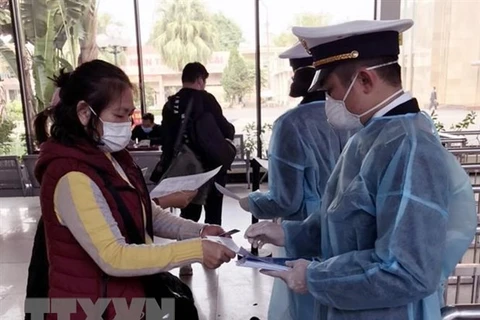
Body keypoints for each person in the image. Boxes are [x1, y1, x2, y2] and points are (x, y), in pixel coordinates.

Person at [245, 19, 476, 319]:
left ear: (366, 80)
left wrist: (314, 277)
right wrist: (289, 234)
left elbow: (406, 271)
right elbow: (347, 224)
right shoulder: (371, 138)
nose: (330, 102)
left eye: (331, 91)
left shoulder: (409, 148)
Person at [27, 60, 236, 319]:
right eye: (118, 115)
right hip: (91, 307)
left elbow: (146, 212)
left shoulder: (112, 158)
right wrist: (196, 250)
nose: (126, 123)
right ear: (84, 113)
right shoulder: (72, 176)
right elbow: (113, 256)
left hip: (123, 299)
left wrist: (199, 231)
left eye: (129, 114)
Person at [239, 42, 354, 320]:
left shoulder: (291, 124)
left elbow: (285, 199)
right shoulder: (357, 117)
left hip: (306, 227)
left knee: (305, 304)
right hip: (350, 230)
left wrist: (251, 202)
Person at [155, 62, 235, 276]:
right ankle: (212, 254)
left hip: (184, 169)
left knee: (187, 212)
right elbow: (225, 128)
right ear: (200, 79)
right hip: (211, 167)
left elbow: (167, 139)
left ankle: (186, 261)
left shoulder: (170, 103)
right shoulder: (206, 100)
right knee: (213, 211)